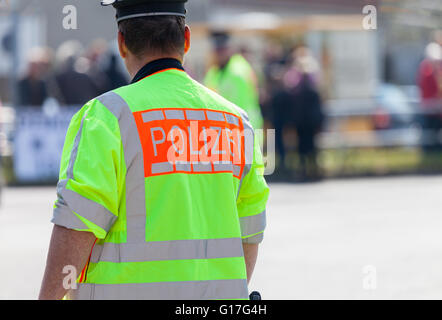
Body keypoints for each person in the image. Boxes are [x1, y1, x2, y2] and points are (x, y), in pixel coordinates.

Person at [39, 0, 269, 300]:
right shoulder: (235, 121)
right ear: (185, 39)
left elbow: (77, 226)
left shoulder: (107, 116)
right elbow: (250, 230)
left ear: (122, 42)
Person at [204, 31, 264, 130]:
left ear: (229, 50)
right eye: (216, 51)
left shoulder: (238, 71)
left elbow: (240, 107)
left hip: (245, 128)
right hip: (228, 129)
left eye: (221, 50)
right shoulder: (214, 71)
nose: (218, 54)